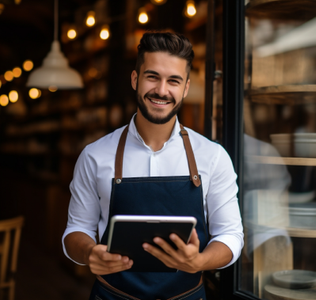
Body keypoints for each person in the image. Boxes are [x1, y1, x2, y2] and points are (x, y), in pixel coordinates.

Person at [62, 31, 244, 300]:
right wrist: (89, 254)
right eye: (152, 77)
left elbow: (231, 235)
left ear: (186, 88)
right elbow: (76, 231)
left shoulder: (213, 157)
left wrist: (200, 262)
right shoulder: (94, 155)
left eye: (173, 81)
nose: (161, 90)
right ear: (135, 80)